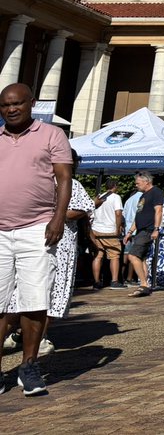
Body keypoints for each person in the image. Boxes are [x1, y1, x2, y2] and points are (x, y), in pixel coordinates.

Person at [0, 84, 72, 396]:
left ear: (31, 103)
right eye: (4, 105)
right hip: (0, 231)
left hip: (37, 229)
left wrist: (58, 218)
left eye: (17, 104)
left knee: (34, 300)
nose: (11, 109)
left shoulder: (52, 135)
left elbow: (64, 177)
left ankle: (29, 366)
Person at [4, 150, 92, 360]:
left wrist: (56, 215)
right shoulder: (33, 181)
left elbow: (83, 208)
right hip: (30, 245)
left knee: (51, 295)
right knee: (17, 295)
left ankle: (39, 339)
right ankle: (16, 333)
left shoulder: (72, 185)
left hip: (60, 248)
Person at [123, 171, 164, 297]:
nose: (136, 185)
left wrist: (156, 229)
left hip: (148, 229)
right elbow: (138, 215)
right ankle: (145, 284)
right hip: (140, 230)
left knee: (133, 256)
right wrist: (129, 232)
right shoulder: (142, 196)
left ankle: (144, 284)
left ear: (147, 182)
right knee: (141, 258)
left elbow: (158, 210)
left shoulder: (156, 192)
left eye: (138, 183)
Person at [90, 178, 125, 289]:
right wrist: (118, 227)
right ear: (115, 186)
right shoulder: (116, 197)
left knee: (98, 255)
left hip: (96, 229)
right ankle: (114, 281)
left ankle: (96, 282)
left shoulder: (99, 196)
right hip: (110, 230)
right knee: (114, 255)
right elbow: (118, 213)